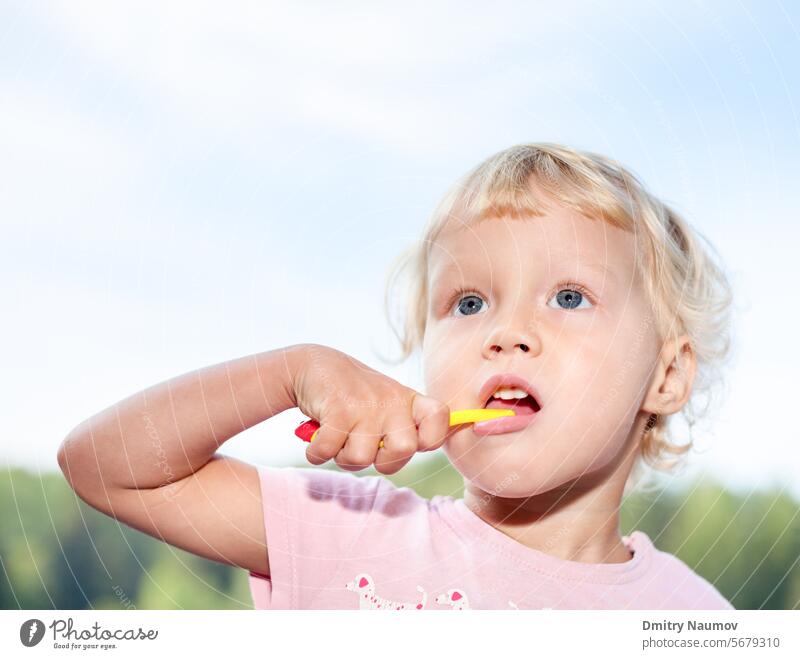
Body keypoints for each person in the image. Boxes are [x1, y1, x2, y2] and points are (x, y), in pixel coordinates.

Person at [57, 143, 734, 609]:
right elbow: (105, 465)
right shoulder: (345, 533)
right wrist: (292, 370)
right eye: (468, 302)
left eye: (569, 296)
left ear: (666, 376)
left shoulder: (695, 620)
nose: (506, 332)